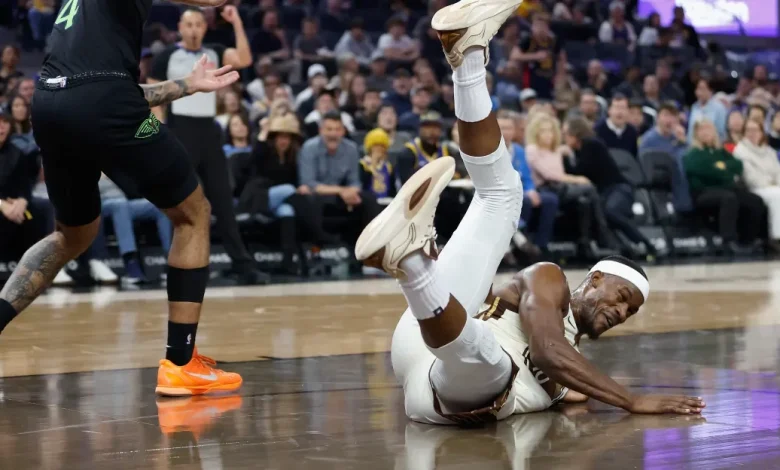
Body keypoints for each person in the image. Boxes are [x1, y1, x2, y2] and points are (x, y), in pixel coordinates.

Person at [354, 0, 705, 425]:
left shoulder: (573, 362)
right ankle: (468, 58)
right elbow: (545, 351)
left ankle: (412, 262)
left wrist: (570, 390)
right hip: (445, 354)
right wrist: (630, 400)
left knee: (494, 364)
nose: (621, 313)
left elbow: (560, 362)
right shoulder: (549, 281)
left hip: (445, 382)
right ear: (594, 279)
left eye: (630, 312)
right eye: (622, 297)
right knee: (504, 194)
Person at [0, 0, 245, 396]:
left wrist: (188, 86)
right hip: (103, 102)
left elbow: (103, 86)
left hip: (49, 103)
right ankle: (180, 364)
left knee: (73, 236)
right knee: (193, 213)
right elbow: (108, 93)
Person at [148, 6, 267, 284]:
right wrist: (160, 133)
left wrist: (237, 21)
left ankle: (242, 265)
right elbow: (154, 99)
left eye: (198, 24)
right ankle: (175, 265)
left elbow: (245, 59)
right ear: (180, 26)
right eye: (188, 24)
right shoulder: (166, 55)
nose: (193, 29)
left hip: (209, 132)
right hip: (179, 130)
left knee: (223, 201)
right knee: (180, 201)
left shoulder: (214, 50)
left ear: (204, 27)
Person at [563, 117, 657, 259]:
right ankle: (627, 248)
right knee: (603, 217)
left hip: (619, 188)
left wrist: (565, 158)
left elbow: (582, 172)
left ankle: (646, 243)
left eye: (566, 134)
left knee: (610, 212)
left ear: (575, 133)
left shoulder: (591, 145)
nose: (564, 138)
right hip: (604, 191)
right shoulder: (579, 150)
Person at [683, 118, 765, 254]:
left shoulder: (721, 152)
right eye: (702, 129)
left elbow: (738, 165)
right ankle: (729, 242)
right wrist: (723, 171)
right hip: (703, 192)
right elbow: (704, 171)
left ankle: (749, 239)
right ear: (696, 133)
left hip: (726, 189)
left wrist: (720, 169)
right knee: (729, 198)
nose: (706, 132)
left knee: (755, 200)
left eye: (708, 128)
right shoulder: (692, 154)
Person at [733, 118, 780, 247]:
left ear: (761, 133)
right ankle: (776, 237)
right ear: (743, 133)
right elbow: (751, 177)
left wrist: (776, 182)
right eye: (748, 130)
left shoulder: (769, 151)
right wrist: (771, 183)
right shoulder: (740, 150)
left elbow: (778, 171)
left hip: (773, 187)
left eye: (755, 130)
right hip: (754, 188)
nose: (752, 133)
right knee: (777, 196)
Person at [359, 128, 397, 199]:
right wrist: (374, 163)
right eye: (376, 145)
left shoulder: (389, 167)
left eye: (382, 146)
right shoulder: (362, 165)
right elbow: (362, 186)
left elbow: (393, 189)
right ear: (369, 147)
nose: (379, 149)